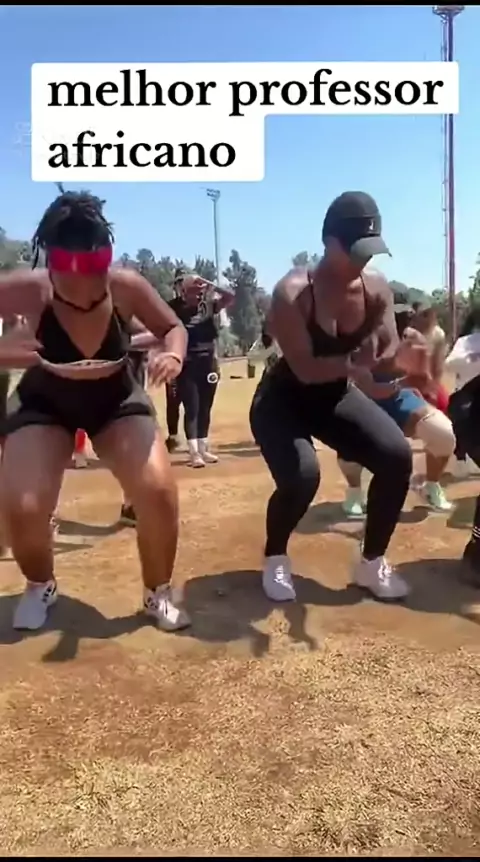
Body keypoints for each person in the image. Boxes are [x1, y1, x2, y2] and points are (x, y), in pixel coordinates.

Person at [0, 190, 190, 633]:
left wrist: (174, 355)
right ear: (52, 264)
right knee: (23, 505)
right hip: (46, 402)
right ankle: (40, 585)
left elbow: (172, 326)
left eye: (95, 271)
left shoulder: (126, 286)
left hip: (115, 401)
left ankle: (157, 592)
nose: (86, 289)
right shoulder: (28, 289)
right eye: (72, 278)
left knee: (157, 493)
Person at [250, 190, 417, 603]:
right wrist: (357, 366)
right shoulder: (293, 292)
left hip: (334, 396)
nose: (364, 261)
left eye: (371, 251)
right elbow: (306, 369)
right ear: (329, 242)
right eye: (357, 251)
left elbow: (386, 353)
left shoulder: (376, 290)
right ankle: (275, 556)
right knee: (302, 476)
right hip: (282, 399)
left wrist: (400, 361)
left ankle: (371, 563)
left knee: (397, 457)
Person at [338, 292, 455, 517]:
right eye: (396, 315)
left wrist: (421, 379)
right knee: (348, 434)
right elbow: (364, 385)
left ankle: (431, 486)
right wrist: (396, 369)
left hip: (400, 396)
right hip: (362, 397)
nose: (404, 320)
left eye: (407, 315)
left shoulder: (415, 340)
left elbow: (425, 381)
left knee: (443, 434)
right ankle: (354, 491)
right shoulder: (360, 337)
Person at [169, 267, 233, 468]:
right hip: (188, 363)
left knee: (206, 406)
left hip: (209, 363)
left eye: (200, 292)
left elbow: (230, 296)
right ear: (184, 291)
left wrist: (207, 282)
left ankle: (203, 448)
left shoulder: (209, 306)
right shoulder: (173, 308)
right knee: (192, 407)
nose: (198, 295)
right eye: (194, 291)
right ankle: (194, 453)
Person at [445, 305, 480, 478]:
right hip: (467, 395)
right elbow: (450, 364)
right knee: (464, 422)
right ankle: (462, 455)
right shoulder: (465, 342)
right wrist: (471, 359)